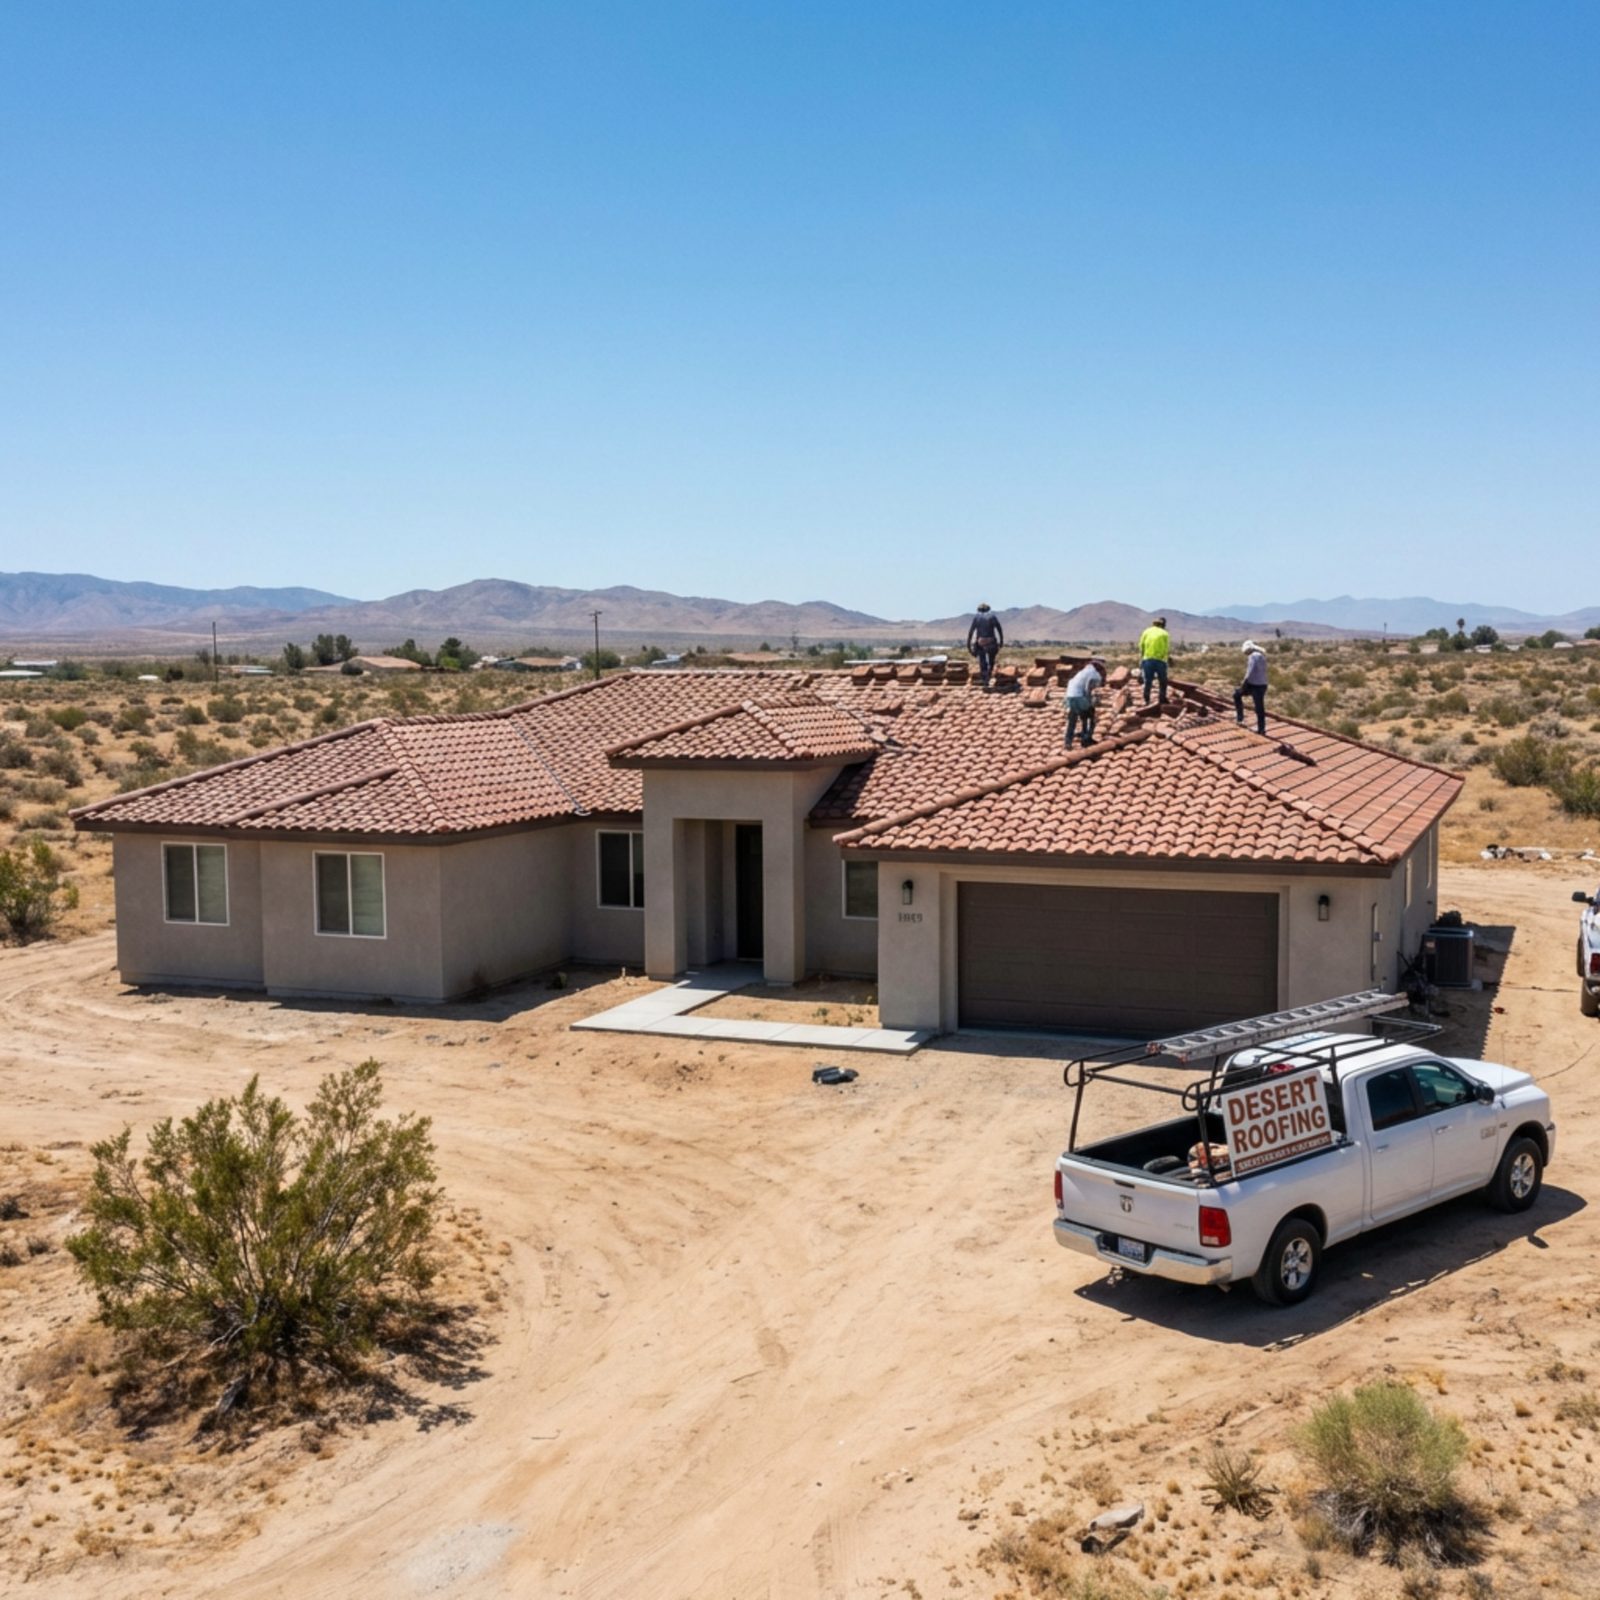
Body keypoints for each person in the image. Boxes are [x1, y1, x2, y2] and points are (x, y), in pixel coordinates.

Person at [1064, 658, 1105, 748]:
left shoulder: (1083, 671)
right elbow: (1089, 689)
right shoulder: (1095, 674)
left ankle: (1068, 741)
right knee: (1090, 717)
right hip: (1079, 697)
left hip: (1070, 696)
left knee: (1072, 719)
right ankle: (1086, 739)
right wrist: (1091, 702)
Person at [1235, 640, 1268, 734]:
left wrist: (1244, 683)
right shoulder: (1262, 655)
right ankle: (1262, 729)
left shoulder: (1253, 656)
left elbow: (1250, 671)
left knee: (1236, 695)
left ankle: (1240, 719)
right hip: (1263, 684)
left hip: (1253, 685)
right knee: (1260, 707)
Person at [966, 603, 1003, 688]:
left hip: (981, 642)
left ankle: (985, 679)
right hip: (991, 641)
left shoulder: (976, 618)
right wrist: (1001, 641)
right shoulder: (992, 617)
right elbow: (999, 629)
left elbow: (971, 632)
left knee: (982, 662)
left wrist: (969, 646)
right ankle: (989, 674)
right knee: (991, 660)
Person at [1138, 615, 1171, 705]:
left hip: (1147, 659)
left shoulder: (1146, 631)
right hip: (1160, 660)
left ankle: (1146, 699)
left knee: (1148, 681)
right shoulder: (1165, 633)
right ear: (1162, 625)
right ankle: (1162, 698)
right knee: (1162, 681)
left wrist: (1142, 658)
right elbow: (1166, 648)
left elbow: (1141, 645)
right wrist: (1166, 658)